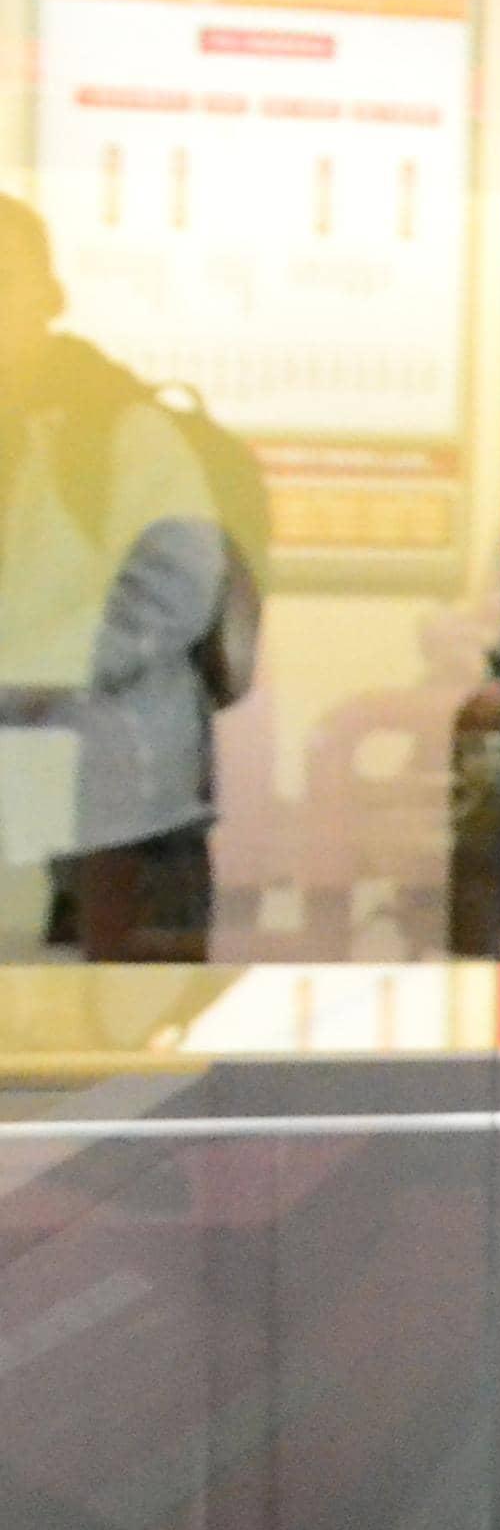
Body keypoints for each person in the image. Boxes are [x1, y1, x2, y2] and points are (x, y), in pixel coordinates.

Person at [0, 194, 245, 959]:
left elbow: (177, 588)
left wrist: (40, 669)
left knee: (133, 1023)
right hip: (26, 802)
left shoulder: (116, 427)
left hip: (122, 811)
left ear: (48, 295)